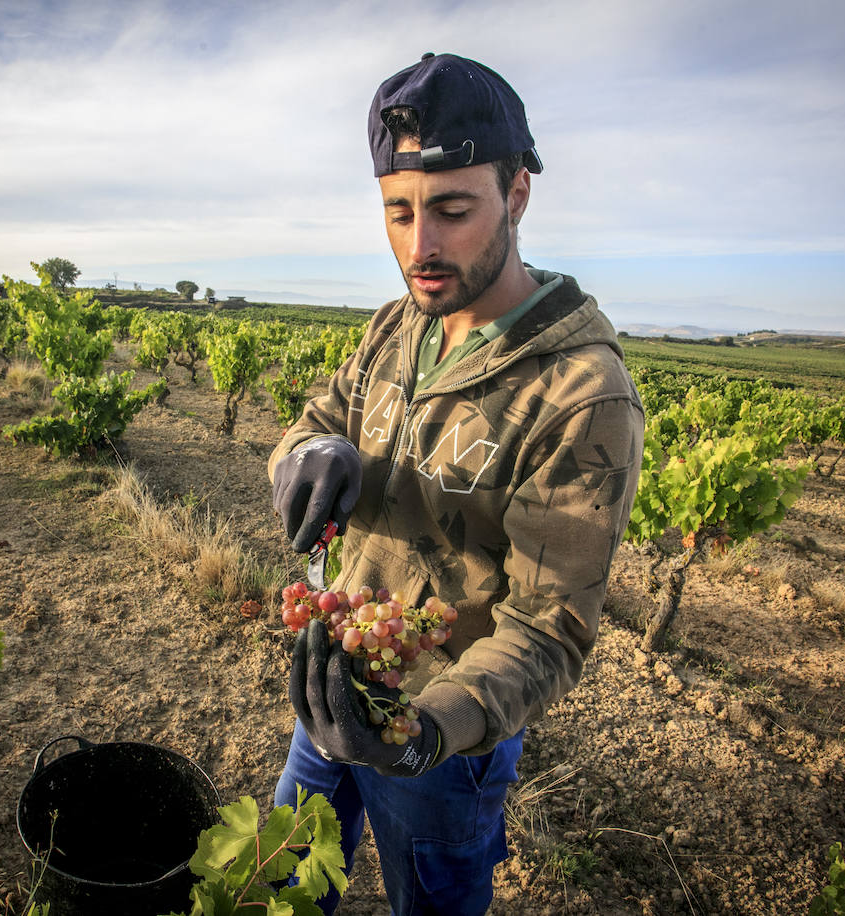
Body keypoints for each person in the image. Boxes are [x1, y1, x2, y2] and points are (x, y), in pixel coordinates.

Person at [268, 52, 645, 915]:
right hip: (332, 687)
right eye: (397, 213)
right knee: (278, 889)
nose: (419, 247)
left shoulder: (581, 394)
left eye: (451, 210)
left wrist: (421, 735)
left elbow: (548, 630)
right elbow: (316, 417)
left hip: (441, 742)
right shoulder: (398, 324)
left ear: (517, 195)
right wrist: (307, 455)